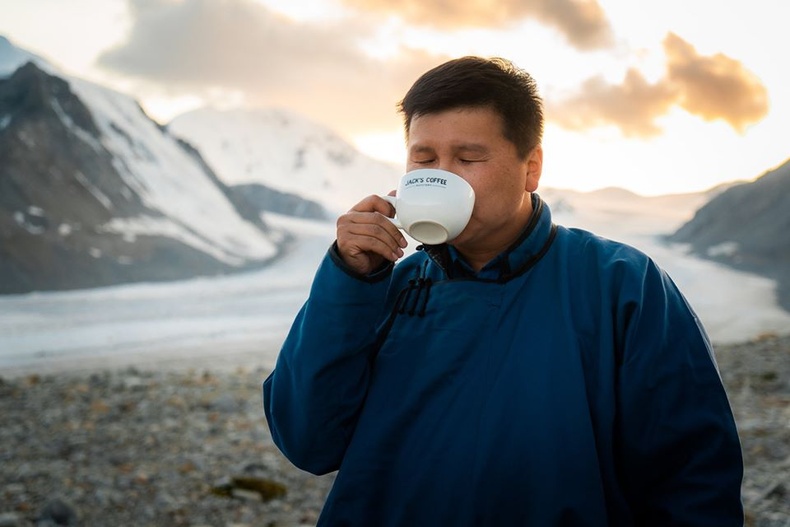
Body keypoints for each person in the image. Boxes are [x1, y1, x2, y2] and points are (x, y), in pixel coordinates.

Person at [263, 56, 744, 526]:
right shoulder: (379, 287)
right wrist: (349, 282)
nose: (444, 175)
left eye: (468, 157)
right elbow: (308, 443)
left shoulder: (621, 284)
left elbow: (692, 478)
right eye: (424, 159)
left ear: (531, 168)